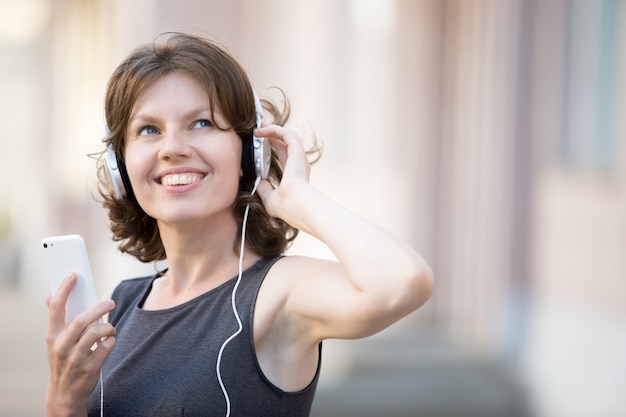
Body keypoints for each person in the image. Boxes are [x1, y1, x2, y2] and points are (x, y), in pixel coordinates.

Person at [44, 32, 434, 417]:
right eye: (149, 130)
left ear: (251, 151)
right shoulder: (121, 305)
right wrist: (64, 402)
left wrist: (299, 200)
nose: (173, 148)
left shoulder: (277, 295)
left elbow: (403, 282)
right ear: (121, 167)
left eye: (200, 123)